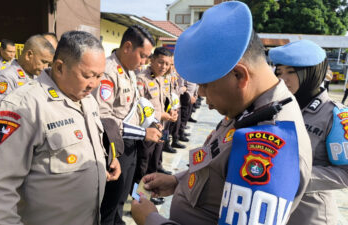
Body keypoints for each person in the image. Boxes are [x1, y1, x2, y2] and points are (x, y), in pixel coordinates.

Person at [131, 2, 312, 225]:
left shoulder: (272, 142)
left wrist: (151, 220)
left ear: (239, 75)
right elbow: (216, 168)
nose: (204, 99)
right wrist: (178, 181)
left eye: (206, 86)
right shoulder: (250, 108)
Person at [0, 30, 121, 225]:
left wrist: (101, 163)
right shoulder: (23, 107)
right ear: (59, 67)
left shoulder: (87, 101)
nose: (94, 85)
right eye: (88, 75)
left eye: (99, 76)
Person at [269, 39, 348, 225]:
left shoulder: (335, 115)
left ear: (311, 73)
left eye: (291, 72)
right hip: (275, 210)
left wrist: (291, 176)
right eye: (279, 72)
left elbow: (345, 173)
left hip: (309, 216)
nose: (283, 79)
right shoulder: (276, 107)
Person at [92, 24, 163, 225]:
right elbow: (105, 118)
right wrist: (143, 133)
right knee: (110, 200)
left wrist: (152, 121)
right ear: (127, 47)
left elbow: (138, 103)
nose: (144, 62)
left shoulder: (130, 71)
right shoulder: (107, 72)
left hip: (131, 143)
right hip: (115, 146)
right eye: (142, 55)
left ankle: (118, 220)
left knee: (123, 194)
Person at [135, 47, 177, 185]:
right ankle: (139, 196)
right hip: (149, 129)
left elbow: (165, 99)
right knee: (143, 162)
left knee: (157, 156)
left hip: (163, 127)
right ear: (151, 60)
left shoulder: (162, 78)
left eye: (167, 64)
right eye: (160, 62)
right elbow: (138, 107)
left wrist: (172, 111)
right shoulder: (142, 79)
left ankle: (152, 186)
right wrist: (160, 115)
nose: (164, 67)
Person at [0, 35, 54, 106]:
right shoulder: (6, 77)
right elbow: (3, 112)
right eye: (44, 62)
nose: (46, 67)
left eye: (48, 63)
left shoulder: (38, 75)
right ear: (29, 55)